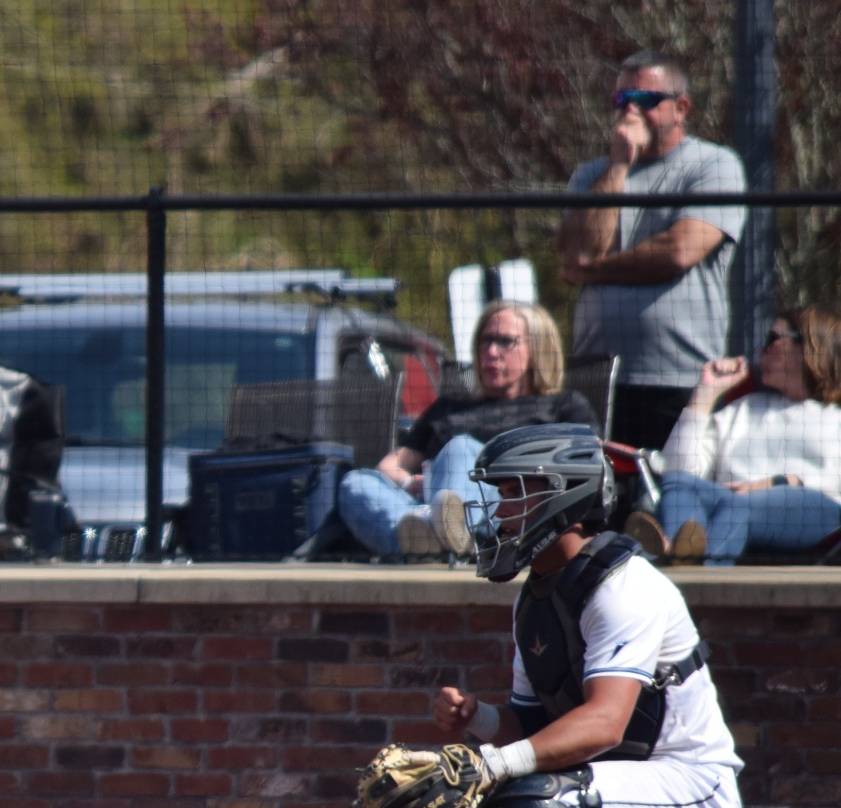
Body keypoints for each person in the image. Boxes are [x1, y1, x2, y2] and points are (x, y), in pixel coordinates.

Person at [399, 423, 742, 808]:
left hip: (691, 794)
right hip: (610, 792)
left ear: (560, 494)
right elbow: (533, 726)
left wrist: (490, 766)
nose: (498, 511)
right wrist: (477, 721)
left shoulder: (622, 586)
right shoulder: (537, 595)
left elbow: (604, 724)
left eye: (511, 493)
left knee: (527, 807)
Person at [556, 49, 747, 452]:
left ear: (680, 108)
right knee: (597, 501)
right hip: (597, 378)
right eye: (621, 101)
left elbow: (678, 251)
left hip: (679, 379)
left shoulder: (713, 165)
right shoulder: (593, 175)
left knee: (674, 494)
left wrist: (592, 269)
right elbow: (577, 252)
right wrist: (619, 166)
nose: (630, 111)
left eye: (644, 100)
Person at [336, 301, 597, 559]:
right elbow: (390, 465)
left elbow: (588, 466)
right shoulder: (450, 407)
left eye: (505, 342)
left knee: (459, 448)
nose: (491, 351)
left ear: (537, 350)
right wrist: (413, 483)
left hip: (509, 508)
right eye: (485, 341)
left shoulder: (562, 406)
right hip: (429, 503)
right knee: (355, 483)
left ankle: (442, 536)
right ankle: (432, 535)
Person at [623, 307, 841, 564]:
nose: (760, 352)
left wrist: (779, 483)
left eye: (771, 339)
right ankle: (680, 556)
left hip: (817, 512)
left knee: (738, 508)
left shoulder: (834, 418)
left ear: (808, 347)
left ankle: (697, 570)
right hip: (730, 500)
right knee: (681, 485)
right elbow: (677, 469)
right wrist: (704, 395)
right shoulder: (742, 409)